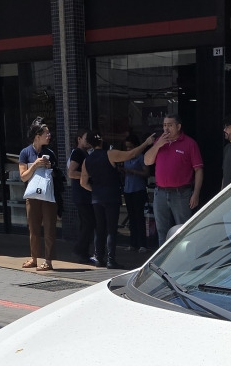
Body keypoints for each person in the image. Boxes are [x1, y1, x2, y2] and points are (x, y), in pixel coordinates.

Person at [84, 131, 155, 268]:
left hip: (97, 198)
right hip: (111, 196)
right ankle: (111, 260)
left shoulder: (87, 159)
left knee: (99, 228)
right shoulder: (110, 154)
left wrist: (96, 190)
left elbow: (83, 182)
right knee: (111, 229)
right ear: (101, 140)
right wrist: (146, 143)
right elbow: (131, 154)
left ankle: (98, 257)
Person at [143, 114, 203, 244]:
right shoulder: (159, 142)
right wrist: (157, 145)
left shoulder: (189, 143)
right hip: (160, 193)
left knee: (183, 230)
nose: (166, 129)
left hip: (181, 193)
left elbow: (198, 170)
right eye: (164, 125)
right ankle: (162, 263)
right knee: (162, 230)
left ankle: (183, 261)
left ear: (178, 126)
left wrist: (196, 193)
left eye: (169, 125)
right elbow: (147, 161)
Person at [19, 119, 57, 270]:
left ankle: (48, 261)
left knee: (49, 228)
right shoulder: (25, 153)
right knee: (33, 229)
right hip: (32, 195)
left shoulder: (50, 153)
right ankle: (34, 258)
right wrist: (35, 165)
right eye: (46, 133)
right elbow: (23, 177)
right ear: (37, 136)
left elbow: (57, 176)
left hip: (48, 196)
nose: (49, 135)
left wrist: (50, 167)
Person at [66, 128, 97, 264]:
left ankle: (83, 251)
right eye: (86, 138)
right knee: (89, 222)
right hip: (82, 194)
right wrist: (87, 175)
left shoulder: (84, 153)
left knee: (86, 223)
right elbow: (71, 173)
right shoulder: (78, 153)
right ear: (79, 139)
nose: (88, 141)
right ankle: (79, 250)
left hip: (84, 194)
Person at [122, 134, 149, 253]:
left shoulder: (141, 157)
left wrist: (133, 171)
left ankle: (142, 243)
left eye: (130, 147)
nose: (128, 150)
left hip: (138, 189)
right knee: (131, 217)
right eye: (127, 147)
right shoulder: (126, 158)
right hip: (128, 189)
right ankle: (133, 243)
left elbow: (146, 173)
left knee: (139, 217)